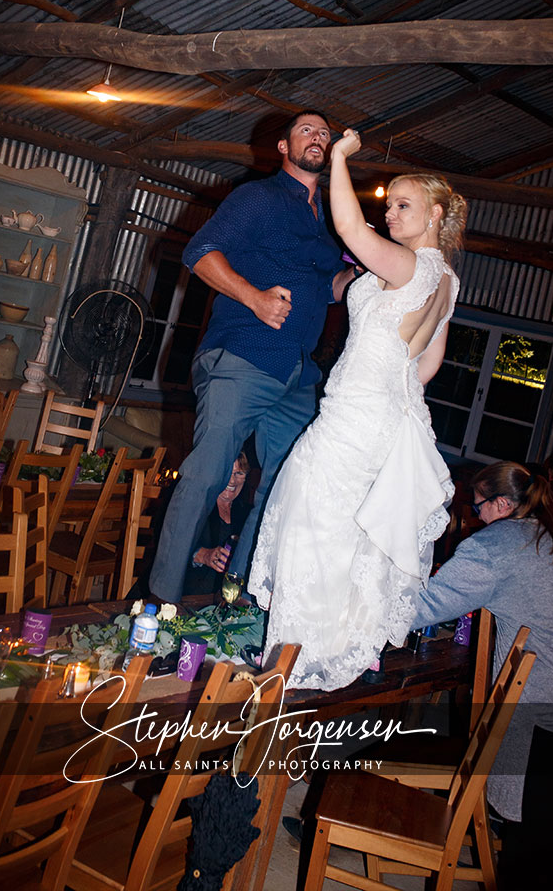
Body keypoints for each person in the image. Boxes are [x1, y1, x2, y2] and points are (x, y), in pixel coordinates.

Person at [249, 128, 467, 690]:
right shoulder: (445, 277)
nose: (388, 213)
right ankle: (309, 658)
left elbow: (347, 226)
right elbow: (427, 365)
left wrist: (342, 157)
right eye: (387, 204)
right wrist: (383, 387)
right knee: (340, 533)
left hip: (357, 417)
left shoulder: (414, 267)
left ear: (436, 213)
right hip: (381, 413)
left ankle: (288, 667)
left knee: (314, 523)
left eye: (402, 204)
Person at [149, 111, 356, 603]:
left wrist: (365, 278)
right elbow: (200, 252)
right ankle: (157, 607)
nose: (319, 137)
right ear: (283, 147)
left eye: (325, 133)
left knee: (288, 484)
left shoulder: (326, 226)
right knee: (208, 475)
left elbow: (329, 288)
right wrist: (255, 297)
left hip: (297, 372)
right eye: (307, 130)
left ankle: (235, 596)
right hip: (244, 355)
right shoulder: (257, 198)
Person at [411, 462, 553, 888]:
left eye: (478, 508)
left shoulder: (498, 545)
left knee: (536, 863)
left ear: (500, 503)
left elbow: (420, 608)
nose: (476, 518)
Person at [184, 454, 251, 595]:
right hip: (184, 595)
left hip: (225, 599)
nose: (232, 480)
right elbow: (167, 543)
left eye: (239, 473)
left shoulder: (247, 513)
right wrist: (201, 555)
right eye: (226, 472)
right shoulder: (194, 503)